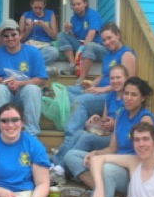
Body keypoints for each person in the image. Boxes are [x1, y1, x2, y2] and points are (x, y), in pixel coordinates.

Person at [53, 22, 136, 164]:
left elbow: (129, 82)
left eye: (110, 38)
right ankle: (70, 142)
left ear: (118, 35)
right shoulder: (109, 54)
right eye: (104, 40)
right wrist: (92, 84)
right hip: (104, 92)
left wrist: (102, 89)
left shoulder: (126, 54)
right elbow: (104, 75)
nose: (107, 42)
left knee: (81, 101)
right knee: (68, 91)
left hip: (108, 93)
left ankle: (69, 139)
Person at [66, 77, 154, 197]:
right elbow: (112, 149)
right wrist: (96, 154)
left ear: (142, 98)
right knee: (72, 155)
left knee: (106, 168)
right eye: (126, 93)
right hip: (115, 161)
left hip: (132, 170)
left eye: (134, 94)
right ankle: (105, 195)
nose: (128, 98)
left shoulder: (145, 119)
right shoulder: (121, 114)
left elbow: (144, 157)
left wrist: (104, 160)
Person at [54, 64, 128, 168]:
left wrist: (115, 123)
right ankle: (56, 163)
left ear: (126, 78)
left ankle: (61, 168)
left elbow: (129, 123)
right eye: (112, 78)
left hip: (116, 139)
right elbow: (104, 121)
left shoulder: (128, 98)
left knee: (86, 137)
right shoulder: (110, 96)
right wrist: (96, 120)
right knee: (79, 133)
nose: (115, 81)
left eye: (118, 78)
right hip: (107, 135)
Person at [0, 19, 48, 136]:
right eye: (6, 36)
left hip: (24, 95)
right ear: (2, 39)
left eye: (13, 34)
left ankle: (31, 134)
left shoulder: (33, 52)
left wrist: (20, 83)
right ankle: (2, 132)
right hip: (4, 94)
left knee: (33, 89)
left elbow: (42, 79)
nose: (10, 38)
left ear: (20, 35)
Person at [57, 0, 105, 76]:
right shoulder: (74, 18)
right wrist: (69, 31)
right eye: (73, 5)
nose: (76, 7)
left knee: (89, 45)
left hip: (95, 46)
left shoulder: (92, 14)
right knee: (61, 35)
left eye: (79, 4)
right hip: (80, 45)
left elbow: (92, 33)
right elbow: (74, 37)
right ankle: (72, 65)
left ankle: (79, 69)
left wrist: (81, 50)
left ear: (85, 3)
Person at [18, 0, 59, 74]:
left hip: (45, 46)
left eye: (40, 8)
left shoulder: (50, 14)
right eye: (35, 8)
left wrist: (44, 26)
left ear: (44, 6)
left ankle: (33, 67)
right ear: (31, 5)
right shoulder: (25, 15)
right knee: (22, 52)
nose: (37, 10)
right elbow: (20, 39)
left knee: (54, 52)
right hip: (30, 45)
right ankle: (43, 68)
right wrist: (28, 29)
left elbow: (54, 36)